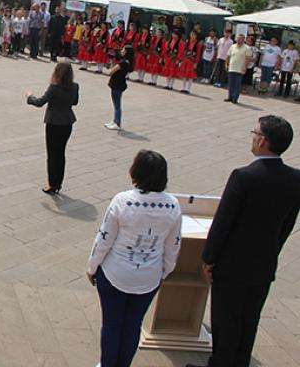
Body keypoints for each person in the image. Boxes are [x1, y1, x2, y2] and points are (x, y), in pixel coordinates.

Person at [187, 115, 299, 367]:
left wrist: (208, 258)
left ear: (262, 141)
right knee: (249, 321)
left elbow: (223, 222)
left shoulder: (244, 176)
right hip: (263, 264)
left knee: (225, 322)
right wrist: (272, 251)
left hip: (232, 266)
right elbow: (287, 225)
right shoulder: (295, 179)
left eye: (254, 133)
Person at [88, 150, 182, 367]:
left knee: (112, 325)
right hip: (148, 277)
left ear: (136, 172)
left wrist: (92, 266)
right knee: (133, 325)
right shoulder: (173, 205)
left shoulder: (123, 201)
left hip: (115, 273)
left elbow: (104, 239)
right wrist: (164, 272)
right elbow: (173, 246)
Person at [24, 62, 79, 195]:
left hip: (54, 123)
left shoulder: (54, 87)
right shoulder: (75, 86)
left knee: (52, 154)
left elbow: (39, 102)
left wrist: (29, 96)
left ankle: (52, 184)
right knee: (61, 153)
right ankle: (58, 183)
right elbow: (75, 102)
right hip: (67, 122)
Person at [105, 46, 133, 131]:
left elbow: (110, 71)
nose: (122, 50)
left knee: (117, 105)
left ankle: (117, 123)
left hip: (117, 85)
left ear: (126, 52)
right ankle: (115, 121)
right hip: (119, 84)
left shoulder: (123, 63)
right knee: (116, 104)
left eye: (123, 50)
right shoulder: (126, 62)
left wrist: (112, 64)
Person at [224, 34, 251, 104]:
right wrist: (226, 64)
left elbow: (248, 59)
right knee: (230, 84)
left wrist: (245, 67)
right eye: (238, 38)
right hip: (231, 68)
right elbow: (228, 56)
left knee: (237, 85)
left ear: (243, 40)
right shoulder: (232, 46)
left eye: (241, 39)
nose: (239, 40)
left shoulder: (247, 48)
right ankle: (230, 97)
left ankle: (235, 99)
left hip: (240, 69)